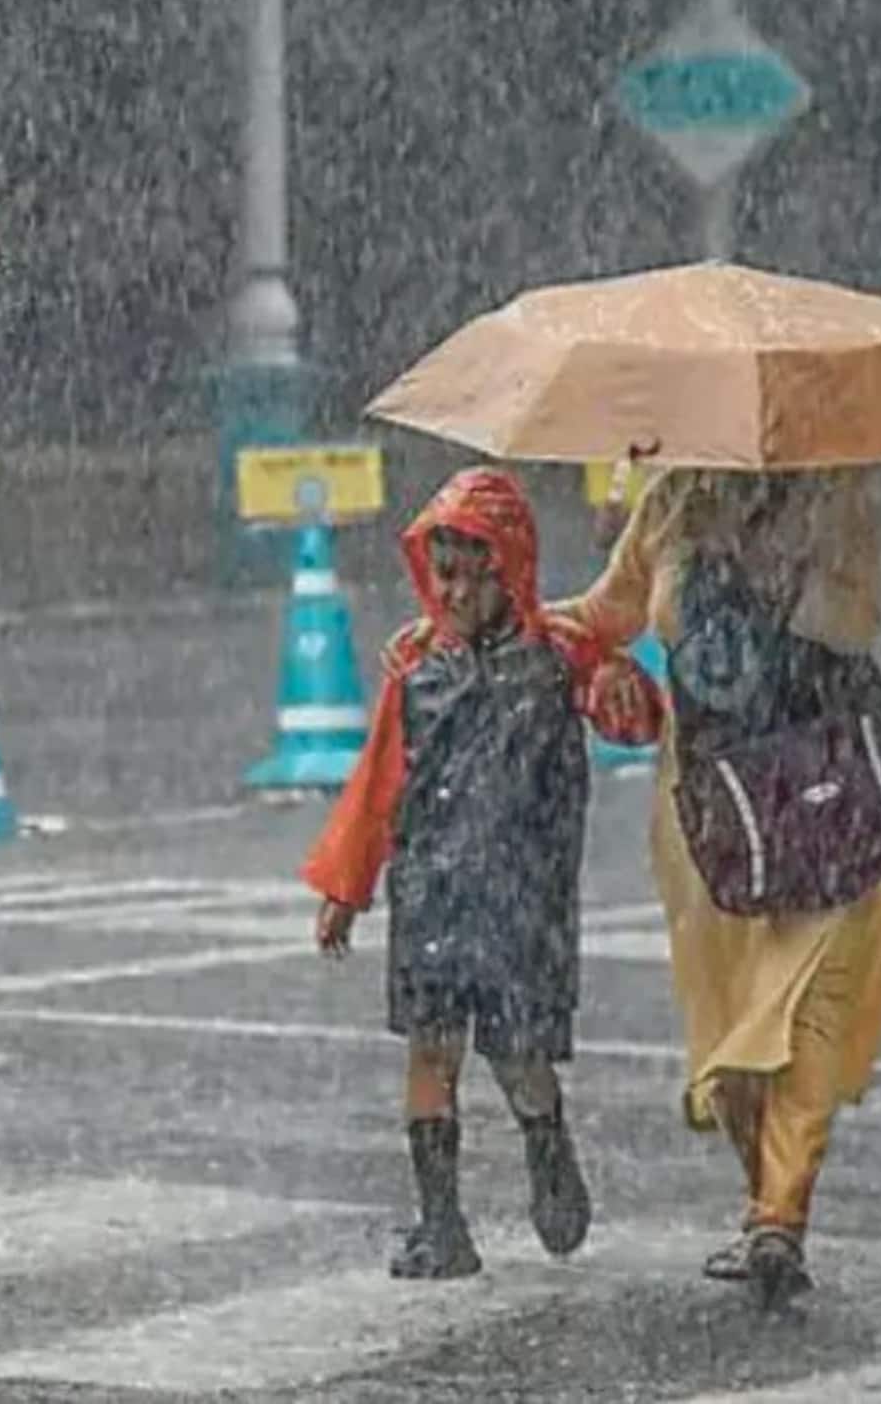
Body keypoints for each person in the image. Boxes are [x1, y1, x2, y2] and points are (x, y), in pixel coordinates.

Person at [552, 467, 881, 1311]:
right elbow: (605, 613)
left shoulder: (836, 492)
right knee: (730, 1021)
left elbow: (853, 623)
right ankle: (765, 1201)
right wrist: (498, 625)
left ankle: (780, 1216)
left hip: (826, 785)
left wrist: (777, 558)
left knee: (809, 1004)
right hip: (714, 814)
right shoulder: (671, 502)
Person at [303, 468, 663, 1280]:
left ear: (512, 570)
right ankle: (442, 1224)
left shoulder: (559, 655)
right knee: (431, 1050)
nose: (456, 593)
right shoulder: (417, 668)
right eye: (444, 575)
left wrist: (618, 681)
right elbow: (379, 782)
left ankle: (546, 1140)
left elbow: (637, 720)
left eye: (474, 575)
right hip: (432, 893)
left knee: (516, 1054)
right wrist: (346, 888)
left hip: (522, 900)